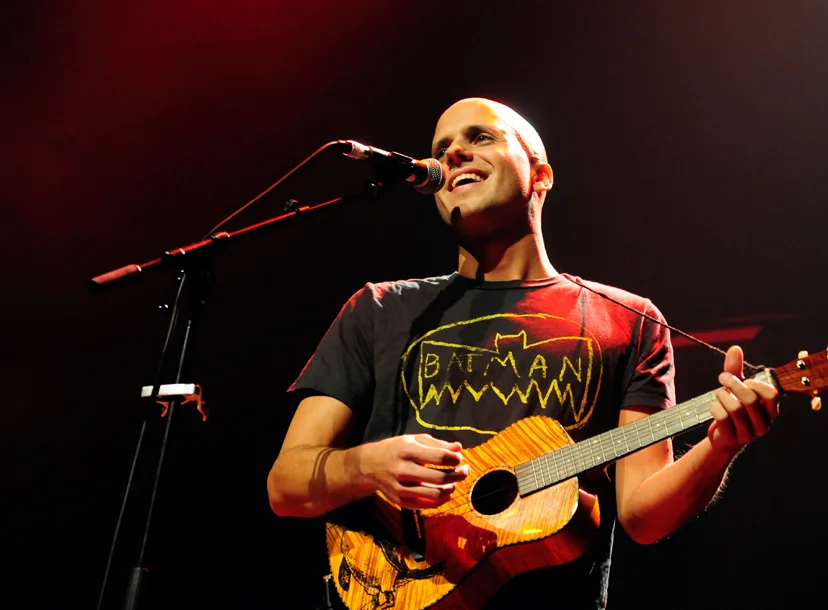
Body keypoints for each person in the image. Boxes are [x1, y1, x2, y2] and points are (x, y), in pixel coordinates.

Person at [266, 97, 780, 609]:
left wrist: (719, 448)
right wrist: (367, 466)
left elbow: (642, 518)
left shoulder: (629, 320)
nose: (453, 154)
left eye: (479, 137)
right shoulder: (379, 308)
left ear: (541, 175)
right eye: (441, 149)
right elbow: (285, 486)